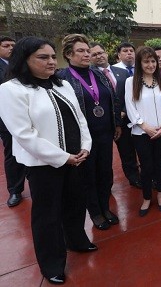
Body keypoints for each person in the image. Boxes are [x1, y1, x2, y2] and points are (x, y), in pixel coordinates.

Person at [0, 37, 95, 284]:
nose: (51, 61)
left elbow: (80, 118)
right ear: (24, 60)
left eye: (53, 56)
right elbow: (23, 134)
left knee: (75, 204)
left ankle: (76, 240)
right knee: (47, 216)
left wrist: (85, 146)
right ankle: (51, 263)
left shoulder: (62, 85)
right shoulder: (11, 90)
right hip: (44, 166)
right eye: (43, 57)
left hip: (76, 158)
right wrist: (63, 158)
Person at [58, 34, 121, 231]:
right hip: (83, 139)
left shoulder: (99, 74)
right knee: (88, 177)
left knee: (105, 173)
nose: (87, 54)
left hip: (105, 134)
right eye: (81, 51)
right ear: (69, 54)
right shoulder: (62, 78)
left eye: (88, 51)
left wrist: (117, 124)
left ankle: (105, 207)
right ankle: (95, 212)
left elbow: (113, 99)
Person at [125, 46, 161, 216]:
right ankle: (146, 197)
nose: (151, 64)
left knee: (160, 165)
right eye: (147, 61)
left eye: (153, 61)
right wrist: (144, 125)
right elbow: (130, 107)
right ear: (139, 63)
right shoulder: (131, 82)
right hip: (142, 133)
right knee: (146, 166)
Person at [89, 42, 142, 189]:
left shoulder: (122, 73)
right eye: (94, 54)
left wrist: (124, 110)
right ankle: (105, 184)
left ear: (107, 53)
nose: (99, 56)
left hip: (124, 119)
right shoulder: (90, 75)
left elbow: (130, 95)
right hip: (103, 122)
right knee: (105, 156)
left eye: (101, 53)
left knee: (128, 151)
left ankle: (134, 177)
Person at [0, 36, 27, 207]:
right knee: (12, 154)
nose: (10, 48)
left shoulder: (24, 65)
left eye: (13, 45)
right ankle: (15, 190)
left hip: (29, 114)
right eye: (6, 45)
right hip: (7, 118)